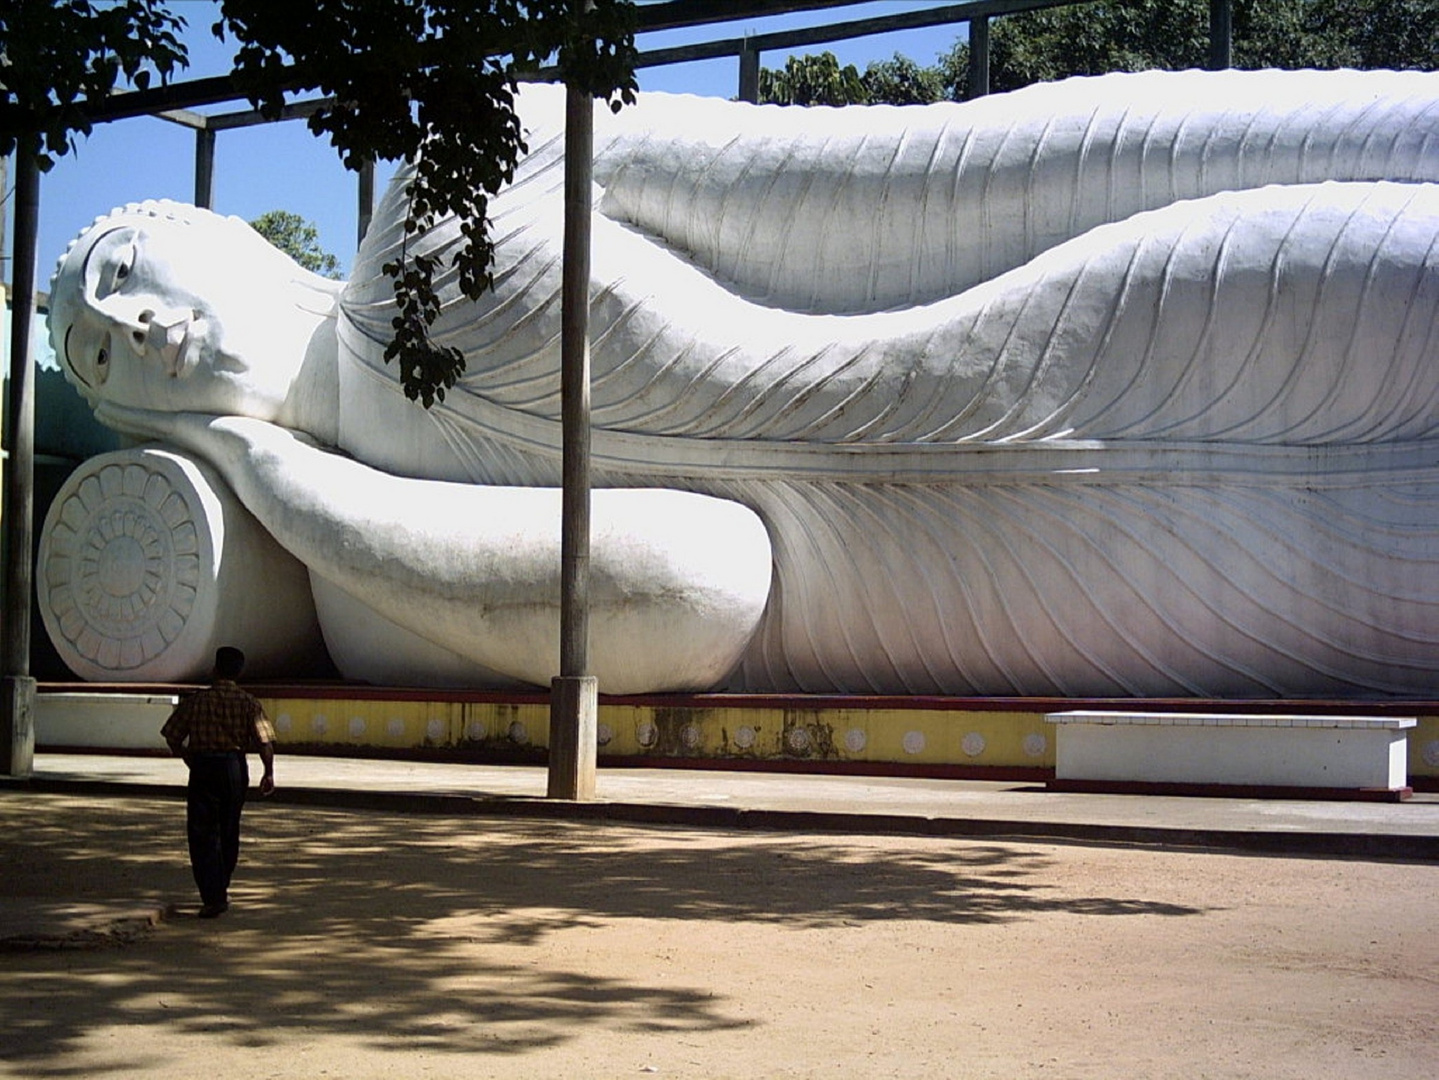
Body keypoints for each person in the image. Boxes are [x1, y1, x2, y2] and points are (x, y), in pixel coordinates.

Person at [45, 68, 1439, 698]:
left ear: (222, 237)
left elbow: (927, 179)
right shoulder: (365, 606)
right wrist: (280, 476)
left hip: (1141, 305)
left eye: (125, 276)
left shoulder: (458, 187)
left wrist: (1387, 119)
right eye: (96, 359)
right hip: (1104, 598)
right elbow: (702, 586)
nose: (134, 330)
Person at [161, 646, 276, 918]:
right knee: (228, 827)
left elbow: (172, 736)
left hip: (203, 766)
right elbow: (265, 741)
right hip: (233, 767)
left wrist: (189, 758)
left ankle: (213, 895)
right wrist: (268, 772)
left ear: (214, 670)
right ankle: (221, 883)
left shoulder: (197, 701)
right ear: (239, 672)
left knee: (202, 832)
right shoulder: (249, 702)